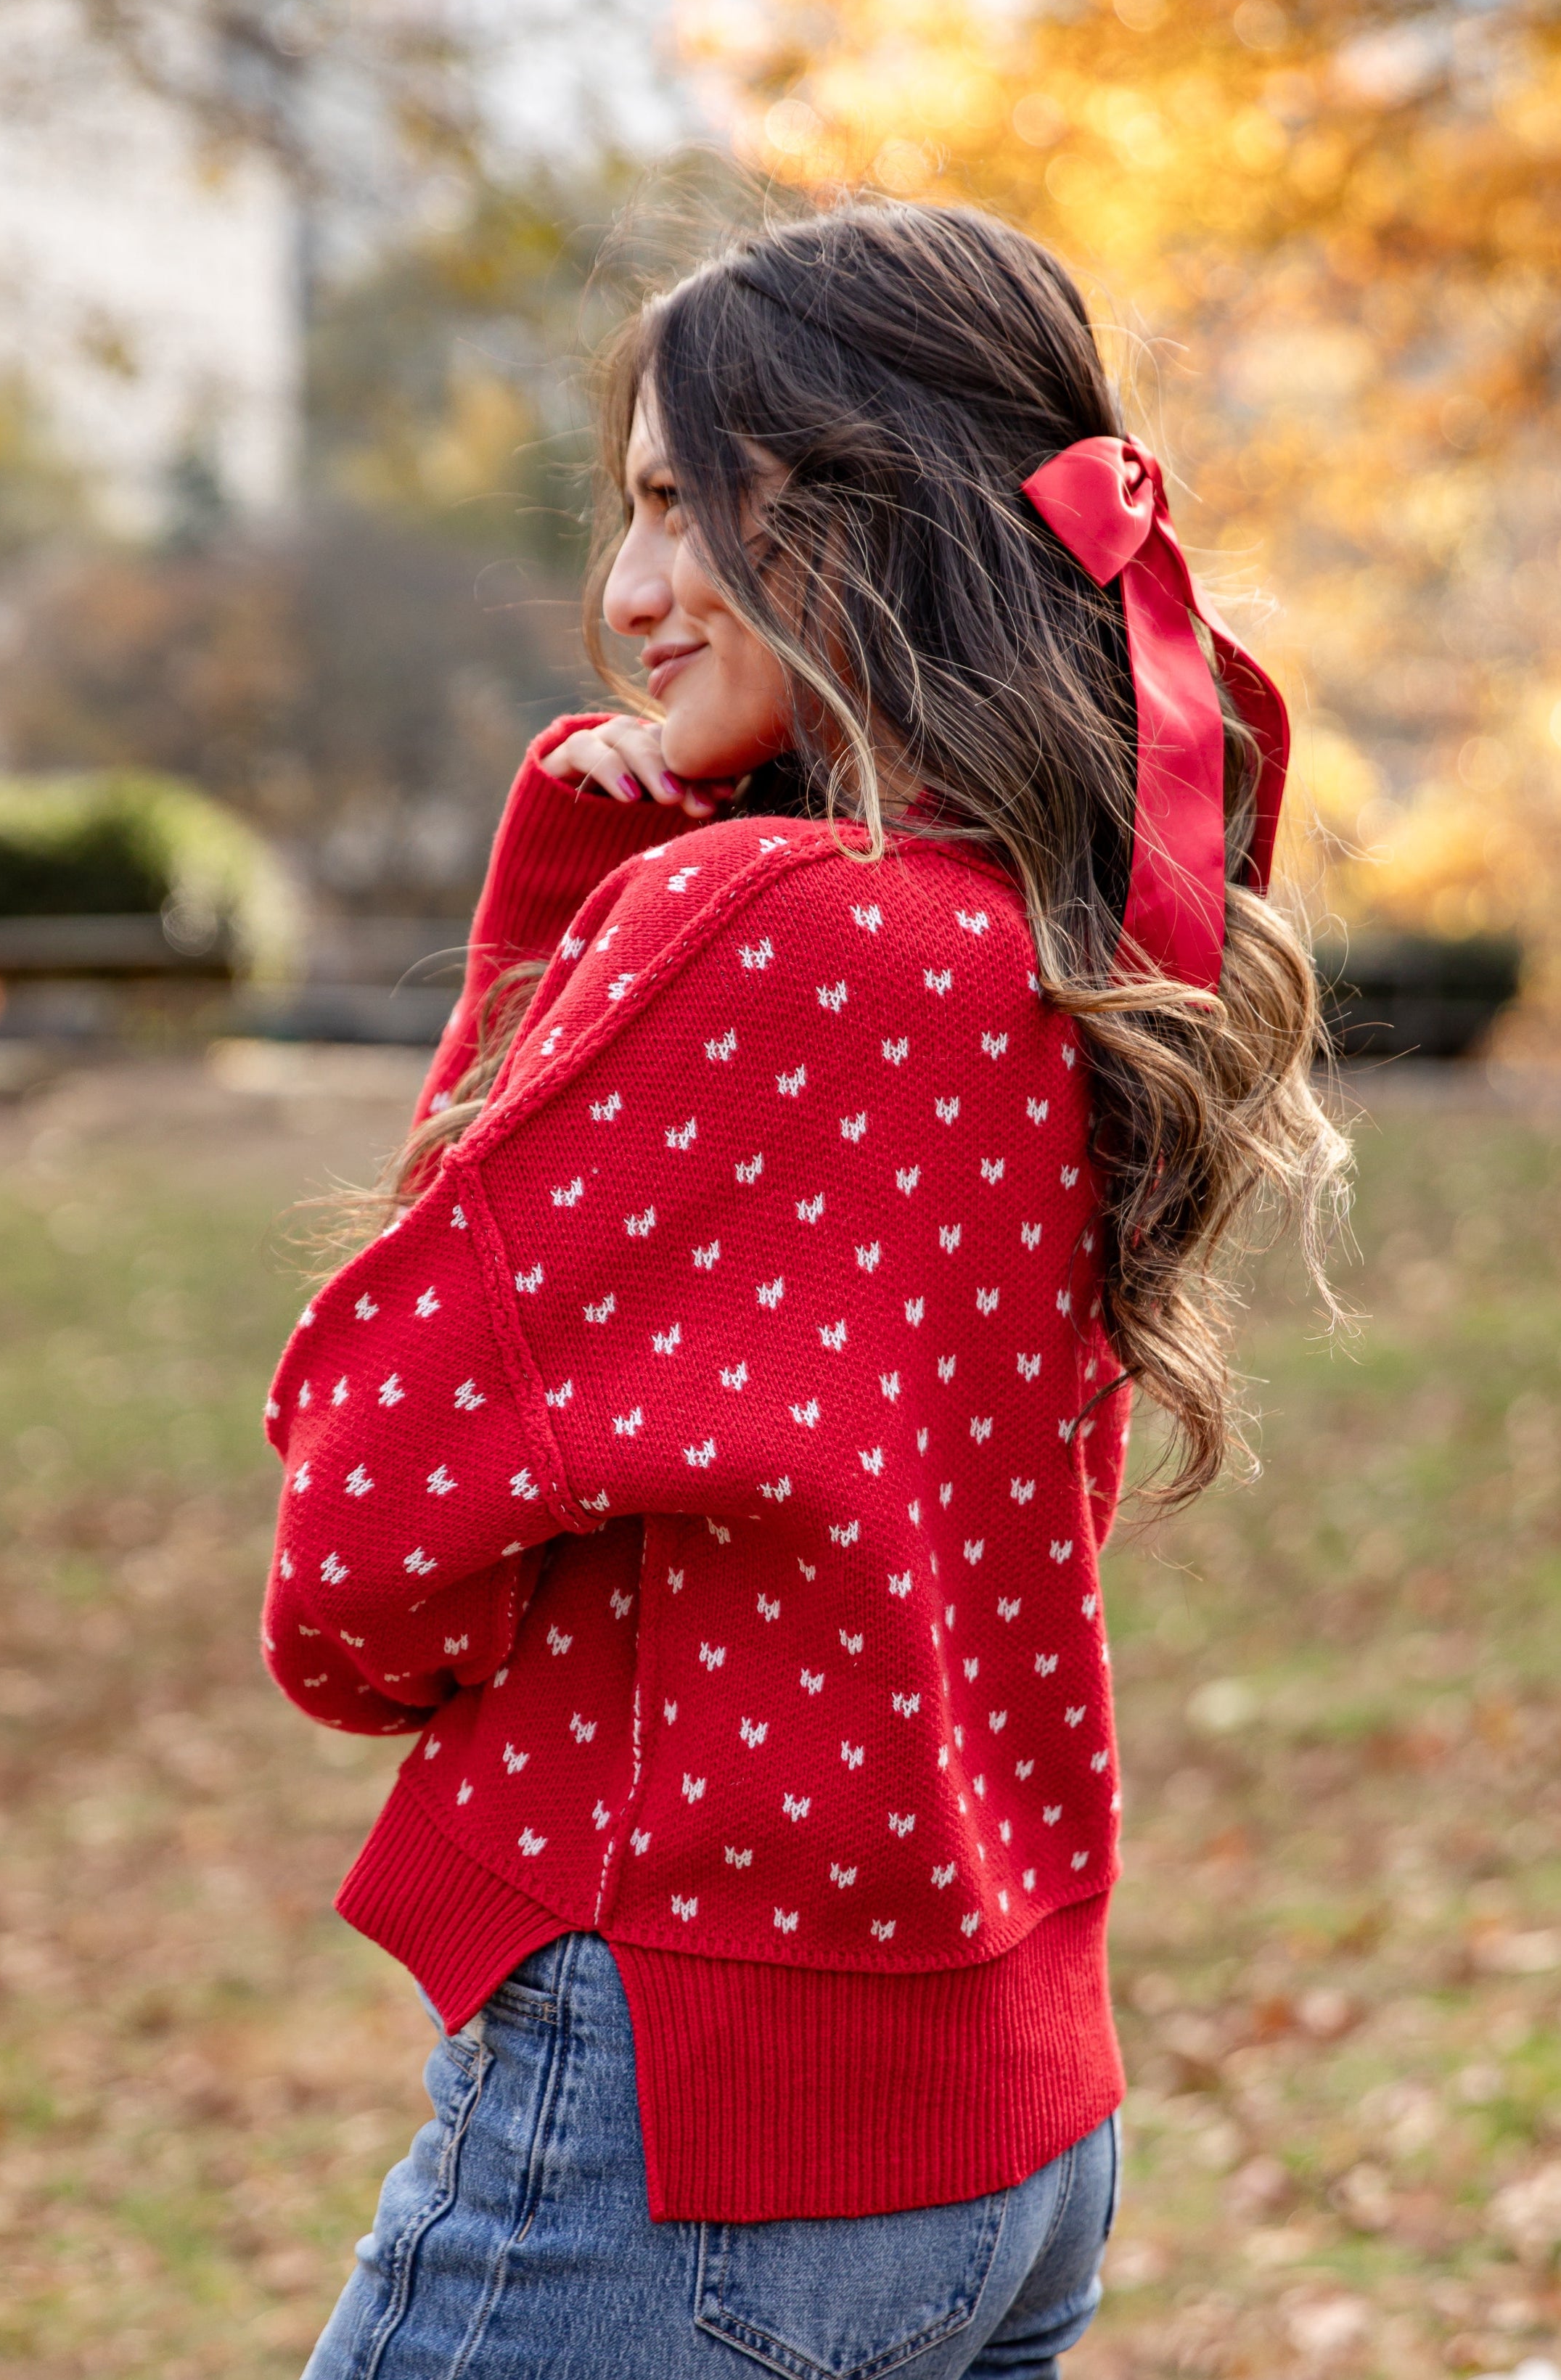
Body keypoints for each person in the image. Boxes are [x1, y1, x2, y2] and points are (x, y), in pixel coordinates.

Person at [262, 200, 1347, 2378]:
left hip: (680, 2125)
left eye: (684, 507)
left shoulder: (765, 927)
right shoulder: (1076, 946)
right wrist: (602, 875)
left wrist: (605, 897)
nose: (628, 592)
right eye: (625, 514)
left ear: (859, 525)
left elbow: (371, 1490)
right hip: (1013, 2137)